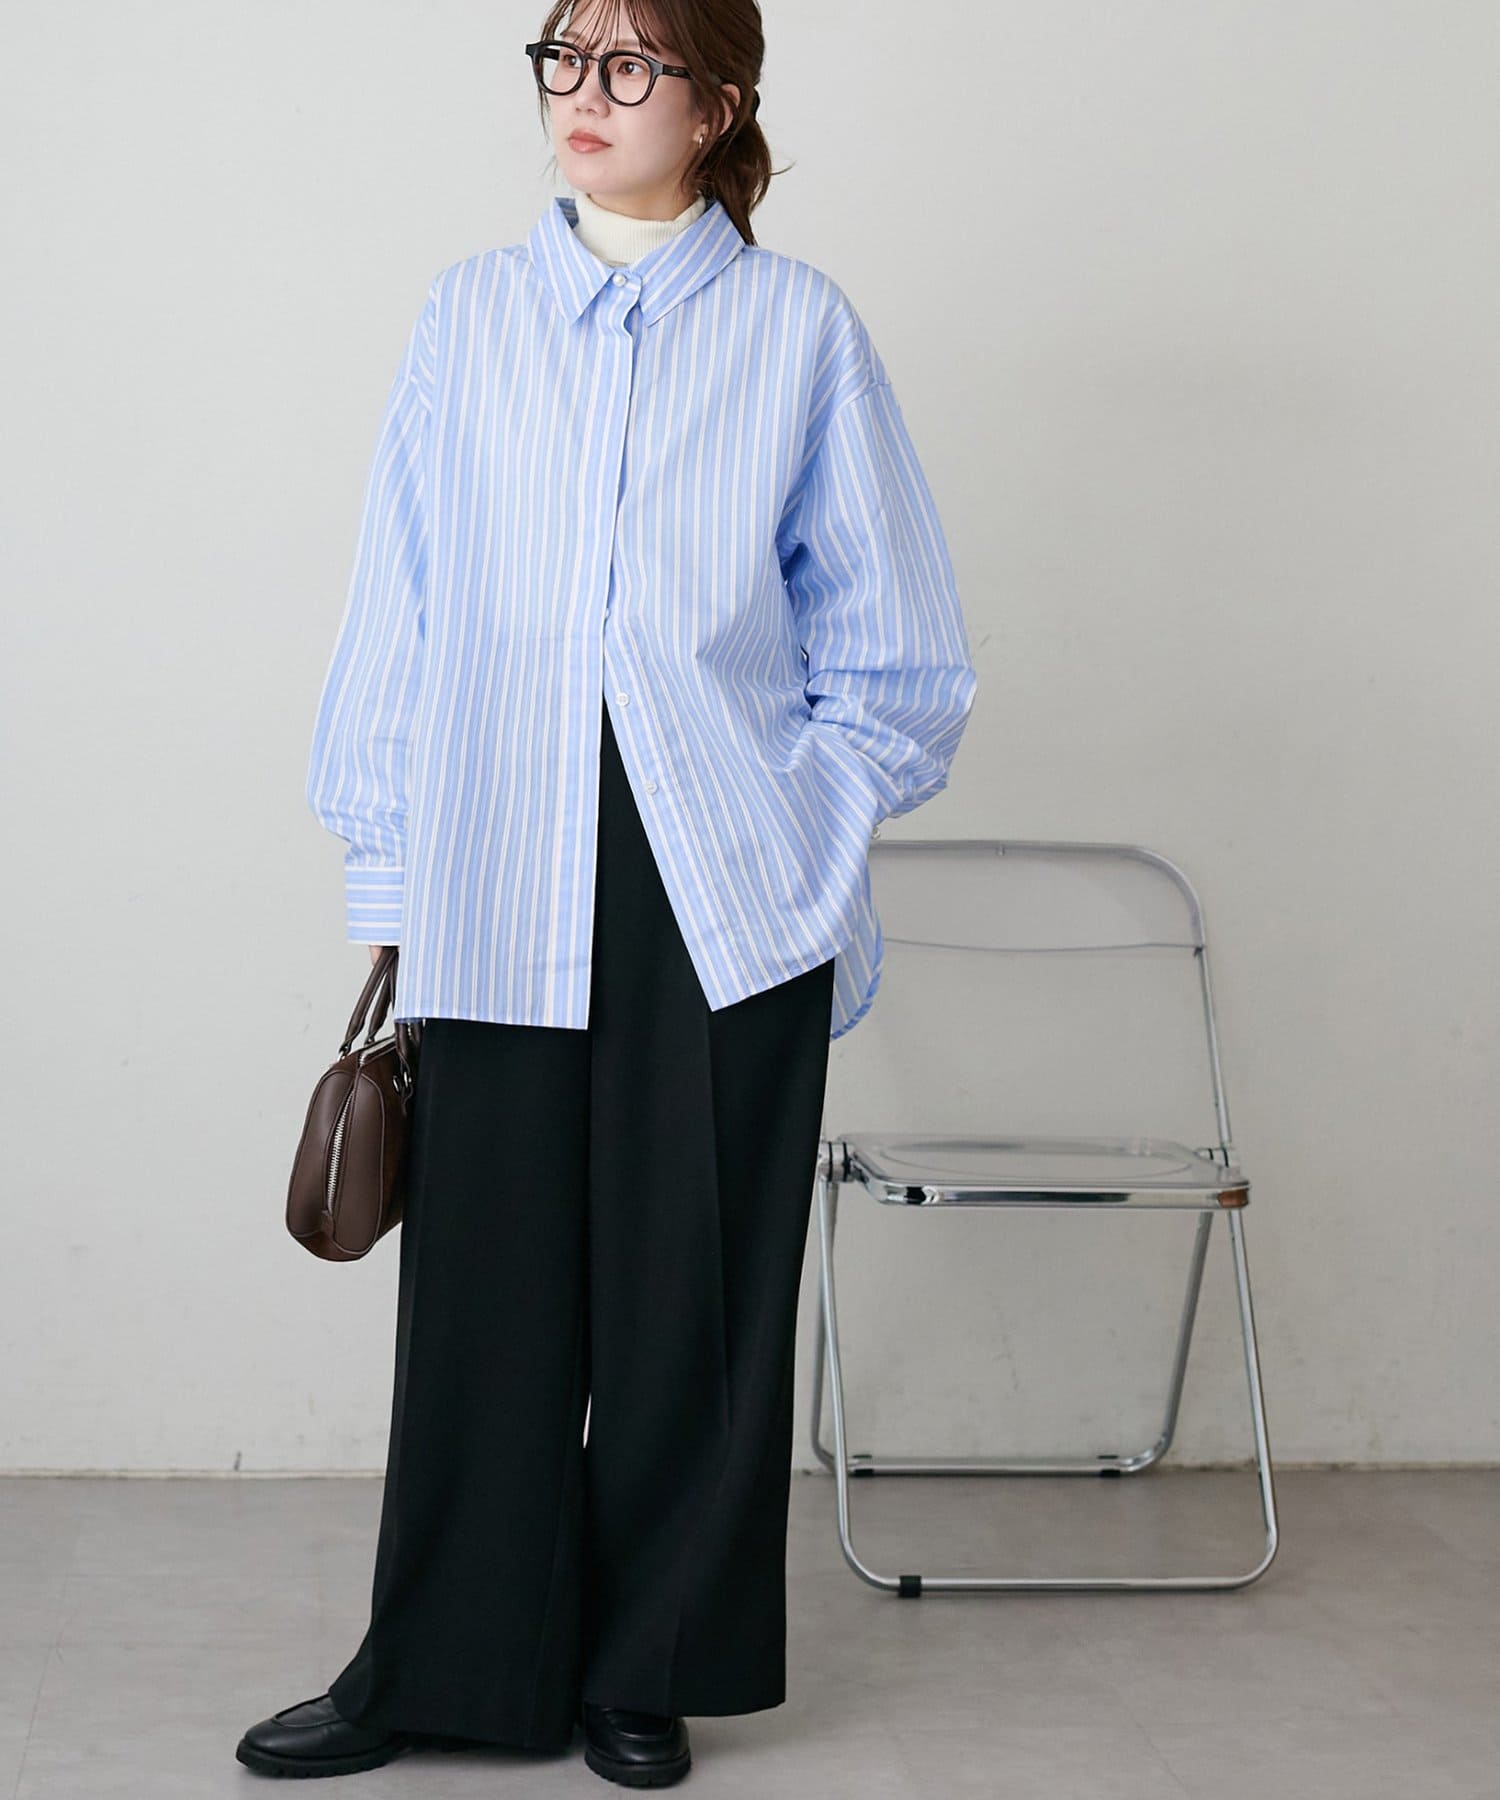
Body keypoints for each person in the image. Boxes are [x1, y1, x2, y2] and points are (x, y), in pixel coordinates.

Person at [237, 0, 978, 1785]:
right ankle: (442, 1665)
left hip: (721, 882)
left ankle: (646, 1666)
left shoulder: (799, 330)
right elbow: (402, 604)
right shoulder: (469, 316)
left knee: (689, 1298)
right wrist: (388, 859)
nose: (587, 93)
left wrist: (807, 834)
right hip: (500, 852)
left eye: (633, 63)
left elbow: (897, 649)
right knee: (483, 1295)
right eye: (564, 56)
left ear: (716, 102)